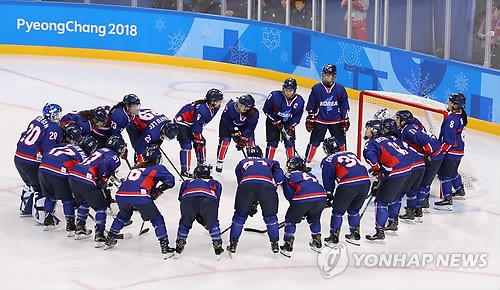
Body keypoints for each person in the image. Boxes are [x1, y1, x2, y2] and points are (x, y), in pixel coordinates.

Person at [104, 147, 176, 259]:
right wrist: (158, 190)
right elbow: (170, 181)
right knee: (157, 219)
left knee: (123, 215)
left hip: (121, 195)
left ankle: (110, 238)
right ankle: (165, 248)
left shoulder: (136, 168)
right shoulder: (158, 168)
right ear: (157, 158)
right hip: (139, 196)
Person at [38, 125, 98, 235]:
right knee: (68, 199)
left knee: (51, 196)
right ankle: (70, 226)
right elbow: (80, 175)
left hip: (43, 167)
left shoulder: (66, 145)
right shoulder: (84, 156)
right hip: (57, 171)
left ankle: (48, 220)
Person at [68, 135, 126, 247]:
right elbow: (104, 167)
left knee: (84, 202)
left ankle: (80, 228)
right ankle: (100, 235)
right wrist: (103, 179)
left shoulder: (101, 150)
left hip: (74, 175)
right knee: (101, 207)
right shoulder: (115, 158)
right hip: (87, 177)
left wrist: (104, 183)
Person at [227, 145, 285, 257]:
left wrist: (251, 201)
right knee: (271, 217)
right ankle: (275, 245)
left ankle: (233, 244)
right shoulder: (271, 161)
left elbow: (241, 181)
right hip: (267, 186)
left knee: (239, 216)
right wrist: (271, 187)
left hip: (246, 186)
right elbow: (280, 178)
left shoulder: (243, 161)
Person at [362, 120, 411, 243]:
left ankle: (379, 232)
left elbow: (374, 163)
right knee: (394, 197)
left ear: (373, 130)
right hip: (408, 168)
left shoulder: (370, 145)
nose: (366, 130)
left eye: (368, 128)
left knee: (381, 202)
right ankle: (393, 223)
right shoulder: (386, 139)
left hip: (396, 171)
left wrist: (379, 172)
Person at [14, 103, 63, 223]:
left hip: (18, 157)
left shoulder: (36, 120)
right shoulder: (54, 127)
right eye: (56, 115)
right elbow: (48, 148)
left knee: (28, 184)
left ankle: (25, 209)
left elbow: (23, 135)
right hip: (31, 161)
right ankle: (42, 218)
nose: (58, 118)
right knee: (40, 189)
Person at [320, 136, 370, 246]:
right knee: (354, 210)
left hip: (348, 185)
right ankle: (354, 233)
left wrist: (329, 194)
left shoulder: (328, 159)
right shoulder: (351, 153)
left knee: (337, 212)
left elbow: (328, 179)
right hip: (365, 182)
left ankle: (333, 236)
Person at [395, 110, 444, 215]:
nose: (396, 121)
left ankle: (421, 206)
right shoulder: (411, 124)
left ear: (404, 121)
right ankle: (421, 205)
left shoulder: (409, 131)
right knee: (422, 182)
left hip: (435, 155)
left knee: (424, 183)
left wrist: (427, 155)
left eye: (398, 119)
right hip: (435, 152)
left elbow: (425, 141)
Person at [380, 118, 425, 229]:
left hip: (409, 167)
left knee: (397, 195)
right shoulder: (399, 136)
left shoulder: (384, 142)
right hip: (420, 164)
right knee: (413, 190)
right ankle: (415, 211)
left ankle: (393, 222)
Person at [174, 164, 224, 259]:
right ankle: (217, 243)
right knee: (213, 224)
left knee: (185, 223)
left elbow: (181, 198)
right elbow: (216, 200)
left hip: (188, 199)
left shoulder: (187, 182)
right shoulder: (216, 183)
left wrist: (193, 213)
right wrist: (207, 216)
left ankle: (180, 242)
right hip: (208, 200)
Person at [280, 156, 326, 257]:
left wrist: (298, 211)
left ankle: (288, 244)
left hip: (303, 199)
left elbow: (290, 195)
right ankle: (317, 240)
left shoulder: (288, 176)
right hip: (321, 198)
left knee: (290, 220)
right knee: (314, 219)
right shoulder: (310, 174)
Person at [304, 64, 350, 166]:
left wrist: (345, 119)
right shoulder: (316, 88)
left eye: (328, 75)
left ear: (333, 76)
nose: (325, 77)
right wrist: (310, 118)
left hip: (336, 121)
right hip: (320, 120)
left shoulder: (340, 89)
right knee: (314, 142)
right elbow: (311, 104)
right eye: (324, 75)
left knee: (341, 142)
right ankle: (307, 162)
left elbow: (344, 106)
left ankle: (344, 161)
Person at [174, 89, 224, 177]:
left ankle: (202, 164)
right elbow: (196, 128)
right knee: (187, 146)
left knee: (201, 142)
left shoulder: (214, 107)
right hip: (181, 123)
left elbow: (198, 125)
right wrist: (198, 138)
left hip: (190, 123)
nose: (220, 102)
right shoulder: (202, 110)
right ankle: (185, 170)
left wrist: (199, 140)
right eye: (218, 100)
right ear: (212, 101)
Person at [434, 93, 468, 211]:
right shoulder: (460, 116)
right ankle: (459, 190)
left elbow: (448, 140)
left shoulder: (451, 119)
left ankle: (447, 200)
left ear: (455, 105)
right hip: (459, 151)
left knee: (444, 175)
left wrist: (440, 152)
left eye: (449, 101)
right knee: (453, 172)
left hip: (451, 152)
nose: (447, 103)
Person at [262, 78, 304, 160]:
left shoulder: (299, 101)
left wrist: (291, 127)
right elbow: (266, 109)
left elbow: (297, 117)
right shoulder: (274, 96)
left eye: (290, 90)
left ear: (294, 90)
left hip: (288, 122)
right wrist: (275, 121)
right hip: (273, 122)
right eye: (286, 89)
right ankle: (267, 163)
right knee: (272, 143)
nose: (288, 92)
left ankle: (292, 164)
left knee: (290, 143)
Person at [215, 94, 259, 173]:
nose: (238, 106)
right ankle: (219, 161)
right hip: (227, 124)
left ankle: (252, 162)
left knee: (250, 141)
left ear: (247, 108)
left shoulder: (254, 114)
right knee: (225, 140)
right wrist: (233, 131)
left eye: (241, 105)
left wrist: (242, 138)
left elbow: (250, 127)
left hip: (244, 126)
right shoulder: (231, 107)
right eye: (238, 103)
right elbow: (226, 120)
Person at [477, 0, 500, 69]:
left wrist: (496, 39)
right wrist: (484, 37)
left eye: (494, 10)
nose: (491, 14)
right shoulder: (486, 20)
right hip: (486, 49)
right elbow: (479, 33)